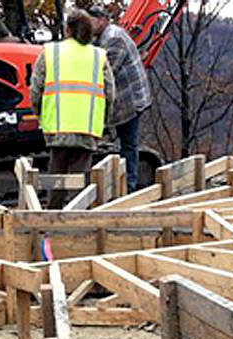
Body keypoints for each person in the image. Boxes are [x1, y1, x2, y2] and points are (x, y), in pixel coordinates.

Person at [30, 8, 116, 208]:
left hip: (57, 127)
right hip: (86, 128)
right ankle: (78, 223)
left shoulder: (50, 53)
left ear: (67, 29)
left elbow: (36, 90)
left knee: (56, 177)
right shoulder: (98, 56)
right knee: (80, 181)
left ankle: (52, 222)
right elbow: (110, 93)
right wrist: (103, 121)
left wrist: (40, 116)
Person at [88, 5, 150, 192]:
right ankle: (124, 183)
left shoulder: (113, 39)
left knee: (128, 144)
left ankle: (129, 186)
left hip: (129, 100)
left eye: (92, 22)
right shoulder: (104, 37)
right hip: (125, 99)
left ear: (102, 20)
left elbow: (106, 71)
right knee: (126, 143)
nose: (90, 27)